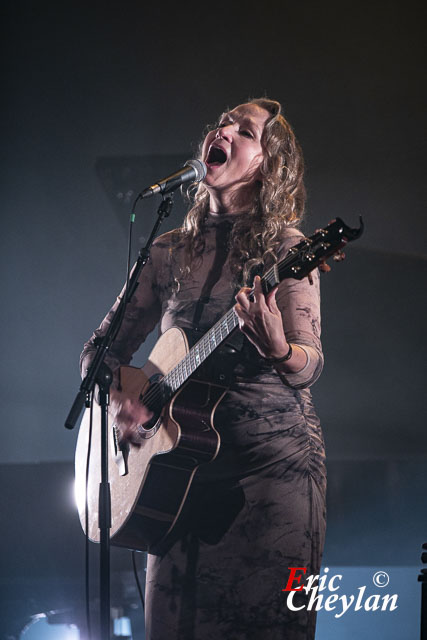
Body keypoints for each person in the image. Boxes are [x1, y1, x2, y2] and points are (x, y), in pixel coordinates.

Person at [81, 98, 327, 640]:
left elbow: (309, 363)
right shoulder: (168, 251)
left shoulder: (290, 250)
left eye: (245, 131)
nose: (225, 131)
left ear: (266, 164)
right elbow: (100, 352)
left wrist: (279, 348)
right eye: (223, 123)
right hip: (173, 475)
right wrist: (122, 400)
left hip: (269, 477)